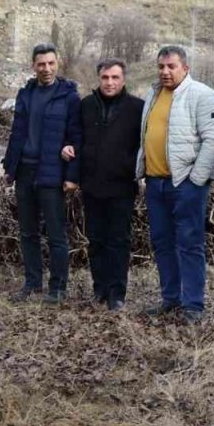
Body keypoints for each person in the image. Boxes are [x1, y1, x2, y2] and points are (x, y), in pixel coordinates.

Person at [137, 45, 214, 324]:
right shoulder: (153, 94)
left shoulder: (203, 95)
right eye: (161, 66)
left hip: (185, 183)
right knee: (162, 242)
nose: (165, 71)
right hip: (155, 182)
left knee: (189, 244)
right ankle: (171, 299)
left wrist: (195, 180)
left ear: (185, 68)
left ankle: (193, 305)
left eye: (171, 66)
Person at [2, 42, 81, 303]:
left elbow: (75, 137)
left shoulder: (69, 96)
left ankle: (57, 288)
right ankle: (32, 283)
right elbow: (17, 134)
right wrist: (9, 168)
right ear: (33, 66)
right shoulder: (25, 94)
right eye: (41, 64)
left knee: (56, 234)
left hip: (52, 173)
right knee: (27, 232)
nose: (46, 69)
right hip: (25, 171)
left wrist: (71, 175)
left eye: (50, 63)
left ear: (58, 63)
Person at [69, 59, 143, 311]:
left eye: (115, 77)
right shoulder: (86, 106)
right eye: (105, 77)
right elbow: (77, 139)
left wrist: (130, 168)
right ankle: (99, 288)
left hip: (122, 186)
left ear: (123, 80)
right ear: (98, 78)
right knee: (96, 239)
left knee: (119, 241)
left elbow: (142, 146)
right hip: (92, 185)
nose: (109, 82)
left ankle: (117, 293)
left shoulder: (137, 107)